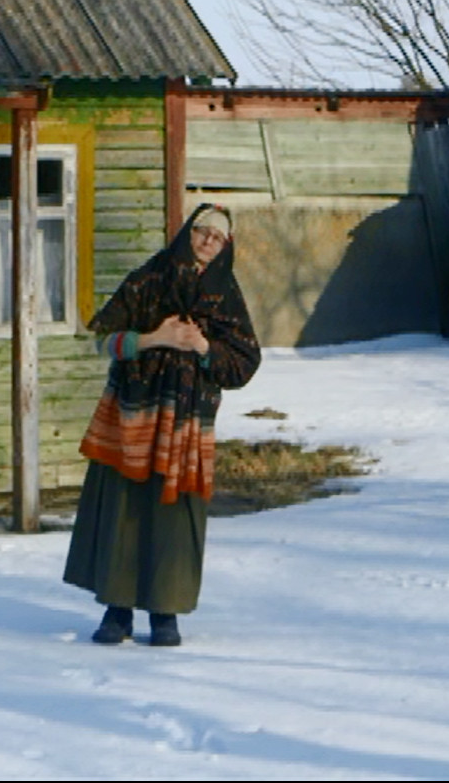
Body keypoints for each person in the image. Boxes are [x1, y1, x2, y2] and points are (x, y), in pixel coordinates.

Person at [62, 203, 262, 647]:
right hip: (134, 410)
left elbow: (244, 364)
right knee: (125, 505)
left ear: (226, 246)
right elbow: (104, 341)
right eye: (202, 231)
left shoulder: (226, 296)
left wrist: (203, 346)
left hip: (187, 419)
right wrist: (157, 338)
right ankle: (117, 610)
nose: (207, 241)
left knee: (173, 512)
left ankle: (164, 613)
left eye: (217, 237)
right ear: (187, 232)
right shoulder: (148, 279)